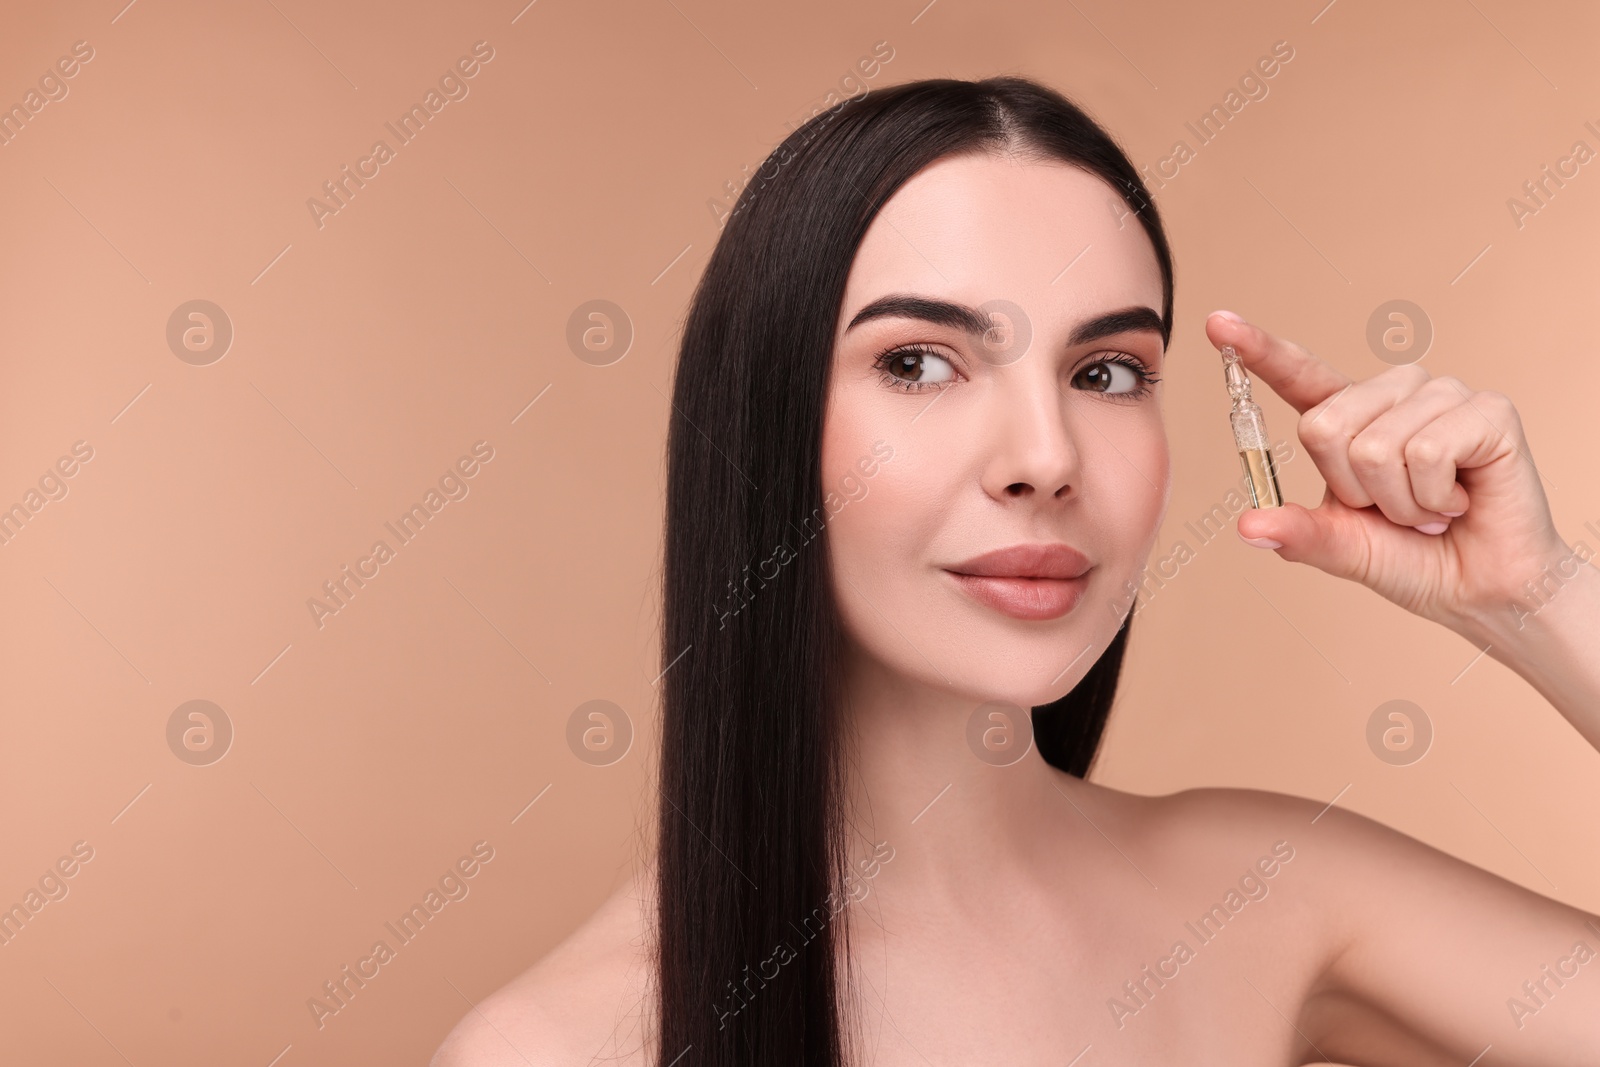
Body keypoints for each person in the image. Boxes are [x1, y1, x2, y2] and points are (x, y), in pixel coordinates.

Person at [432, 75, 1600, 1066]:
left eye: (1104, 373)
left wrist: (1538, 596)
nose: (1044, 458)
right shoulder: (564, 1041)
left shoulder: (1270, 891)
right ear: (762, 423)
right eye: (921, 362)